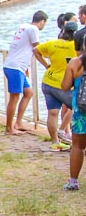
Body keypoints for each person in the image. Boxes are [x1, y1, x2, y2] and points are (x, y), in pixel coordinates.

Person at [2, 10, 48, 136]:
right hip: (15, 68)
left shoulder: (23, 27)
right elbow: (37, 48)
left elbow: (22, 48)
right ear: (42, 21)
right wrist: (47, 63)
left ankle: (18, 123)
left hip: (16, 67)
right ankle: (9, 128)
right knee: (14, 97)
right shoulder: (34, 29)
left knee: (28, 93)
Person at [34, 21, 77, 150]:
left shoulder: (52, 43)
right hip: (64, 85)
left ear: (63, 31)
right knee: (78, 109)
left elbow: (35, 50)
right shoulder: (75, 46)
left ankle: (55, 142)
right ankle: (75, 139)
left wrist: (45, 64)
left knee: (52, 113)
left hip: (48, 81)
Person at [60, 52, 86, 191]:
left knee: (78, 146)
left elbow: (65, 86)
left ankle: (73, 182)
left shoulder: (75, 63)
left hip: (81, 112)